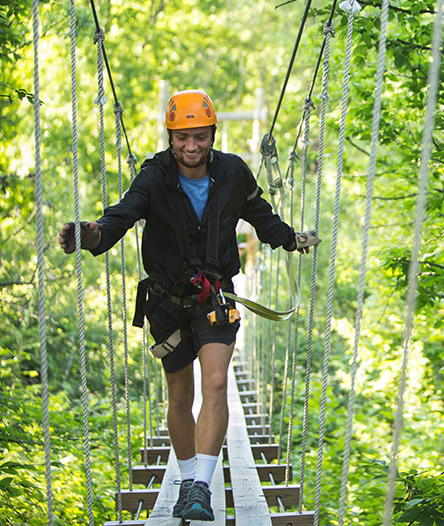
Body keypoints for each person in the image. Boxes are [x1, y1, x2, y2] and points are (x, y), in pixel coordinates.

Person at [57, 89, 319, 521]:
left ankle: (201, 487)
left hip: (215, 298)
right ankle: (185, 478)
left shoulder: (234, 172)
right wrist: (90, 235)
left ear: (212, 134)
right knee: (180, 395)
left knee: (216, 382)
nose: (191, 147)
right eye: (182, 138)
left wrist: (290, 238)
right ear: (170, 136)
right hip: (167, 304)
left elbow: (261, 216)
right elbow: (122, 215)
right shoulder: (154, 176)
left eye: (200, 137)